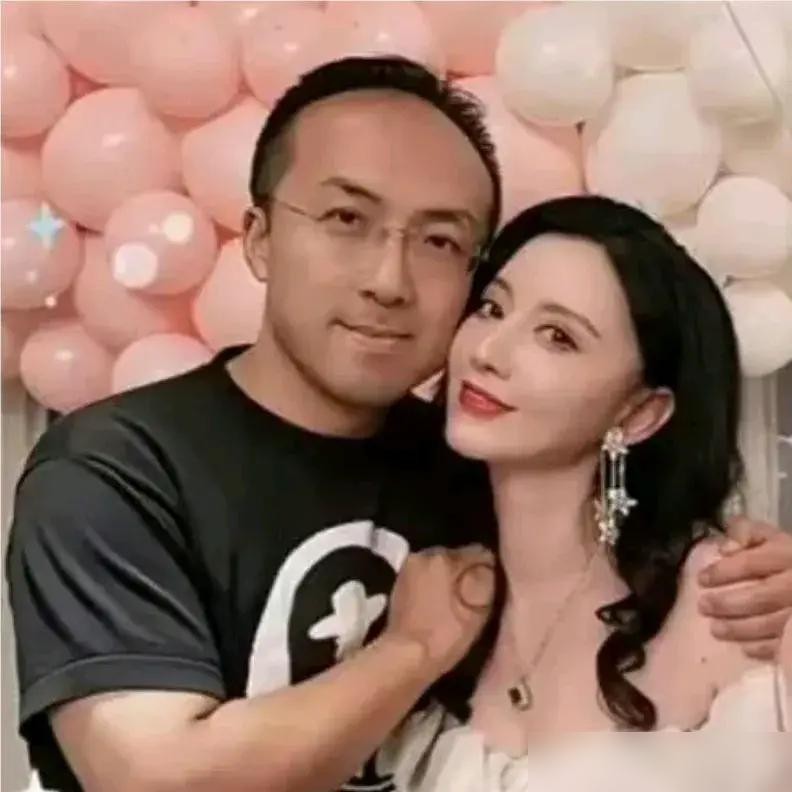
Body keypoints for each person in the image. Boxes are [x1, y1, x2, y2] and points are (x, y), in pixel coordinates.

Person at [5, 57, 792, 792]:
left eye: (441, 241)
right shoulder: (118, 469)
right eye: (346, 217)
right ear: (260, 237)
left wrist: (764, 574)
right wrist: (413, 648)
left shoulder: (471, 470)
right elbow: (156, 778)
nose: (389, 280)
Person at [382, 196, 791, 792]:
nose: (487, 353)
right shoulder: (420, 583)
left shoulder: (738, 603)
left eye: (557, 337)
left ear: (640, 413)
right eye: (492, 308)